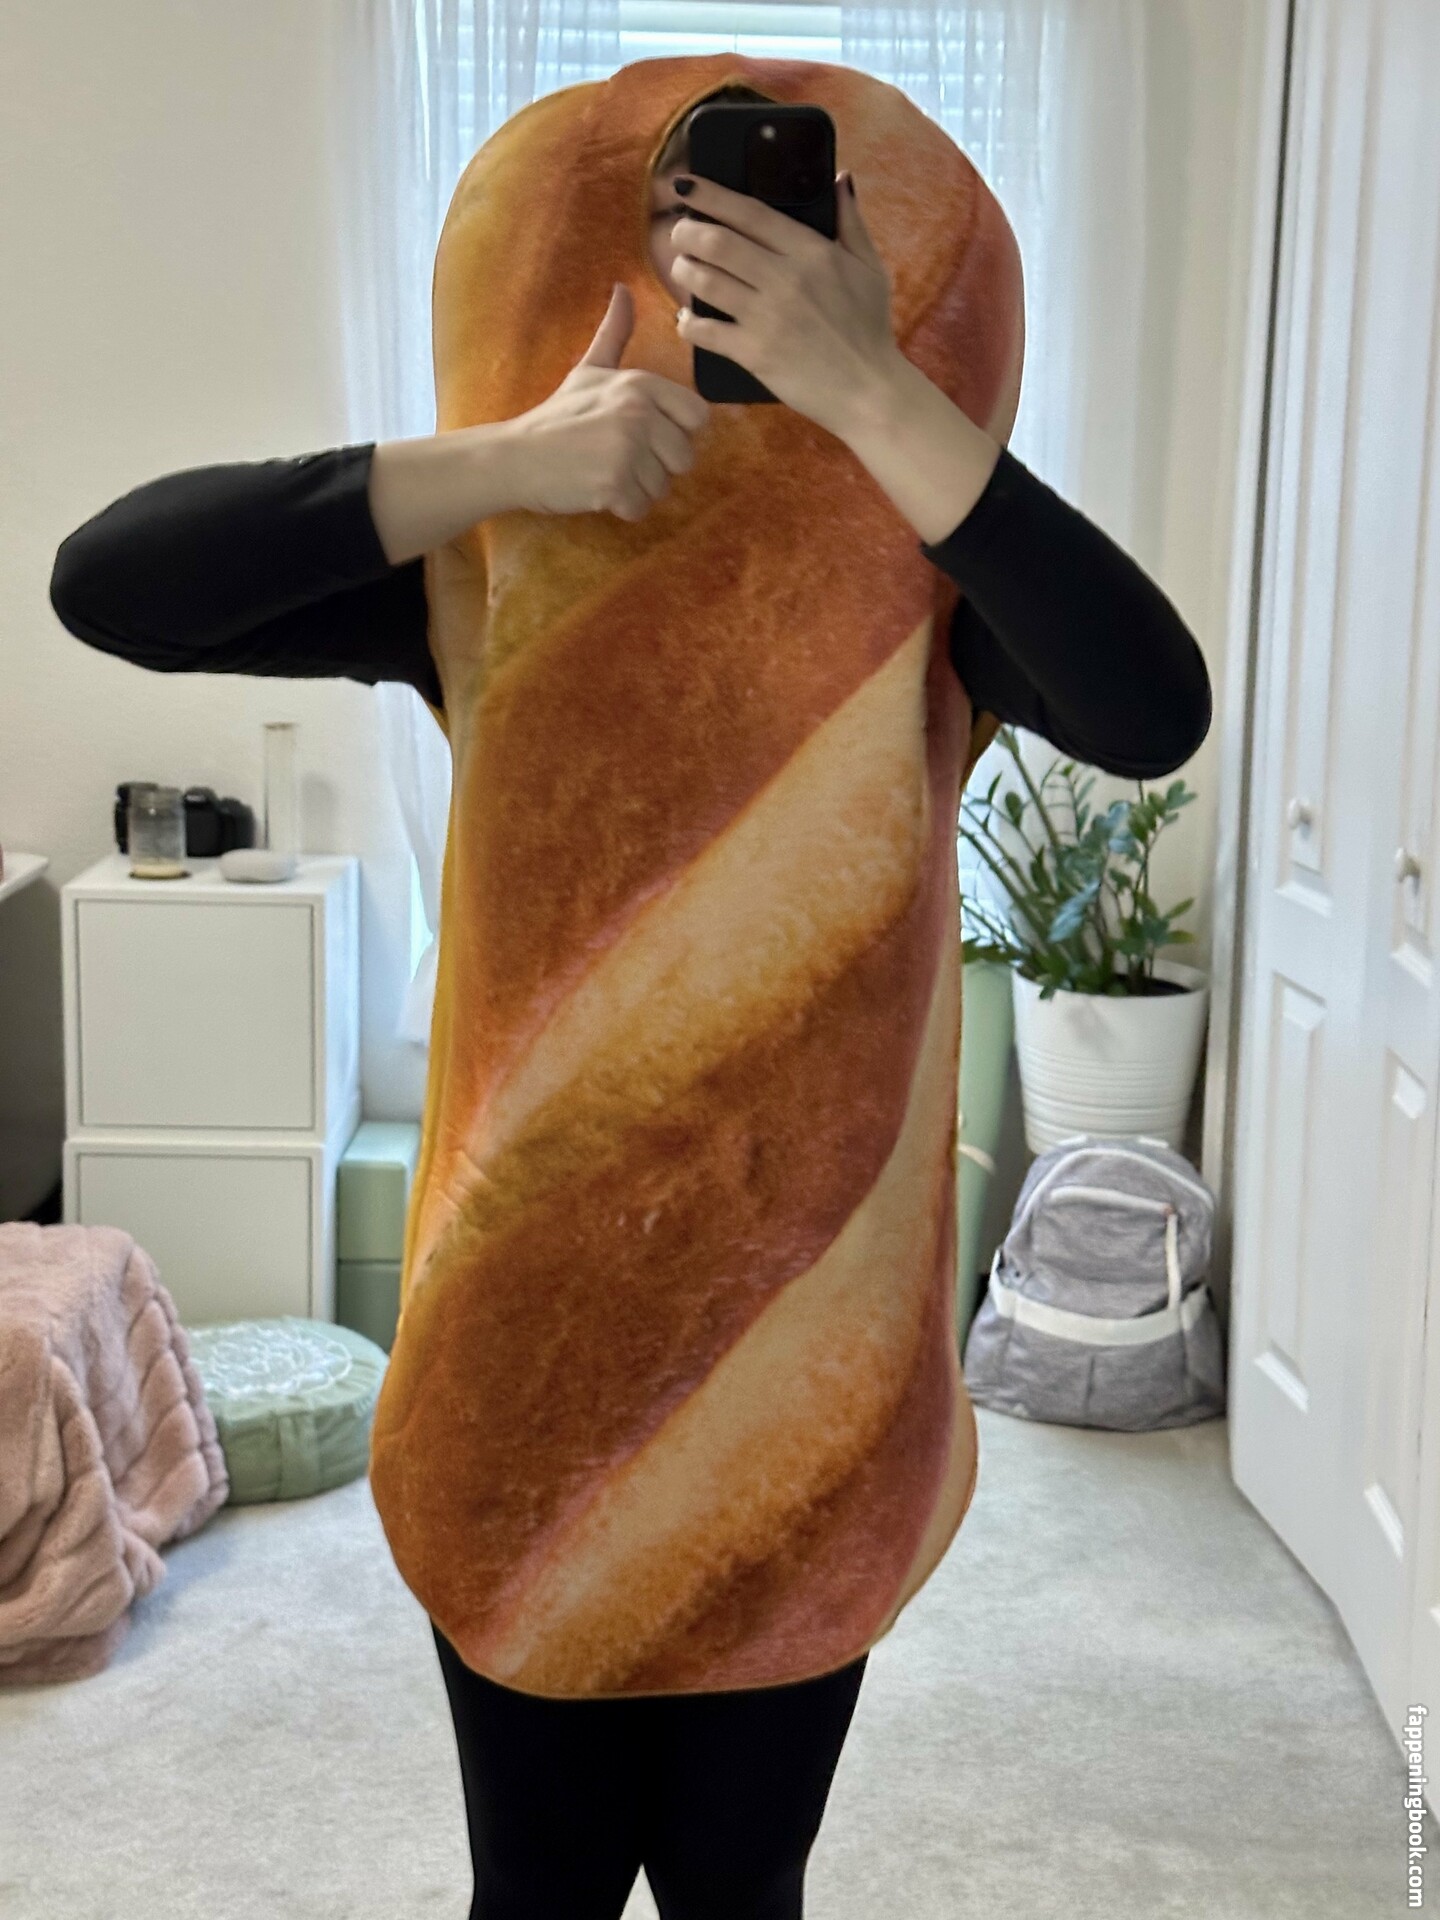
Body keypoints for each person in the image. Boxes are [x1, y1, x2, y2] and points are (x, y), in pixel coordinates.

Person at [49, 74, 1211, 1920]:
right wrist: (506, 461)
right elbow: (111, 583)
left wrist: (867, 392)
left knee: (746, 1888)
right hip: (528, 1368)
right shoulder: (498, 566)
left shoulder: (923, 582)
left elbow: (1152, 706)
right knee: (540, 1893)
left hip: (810, 1393)